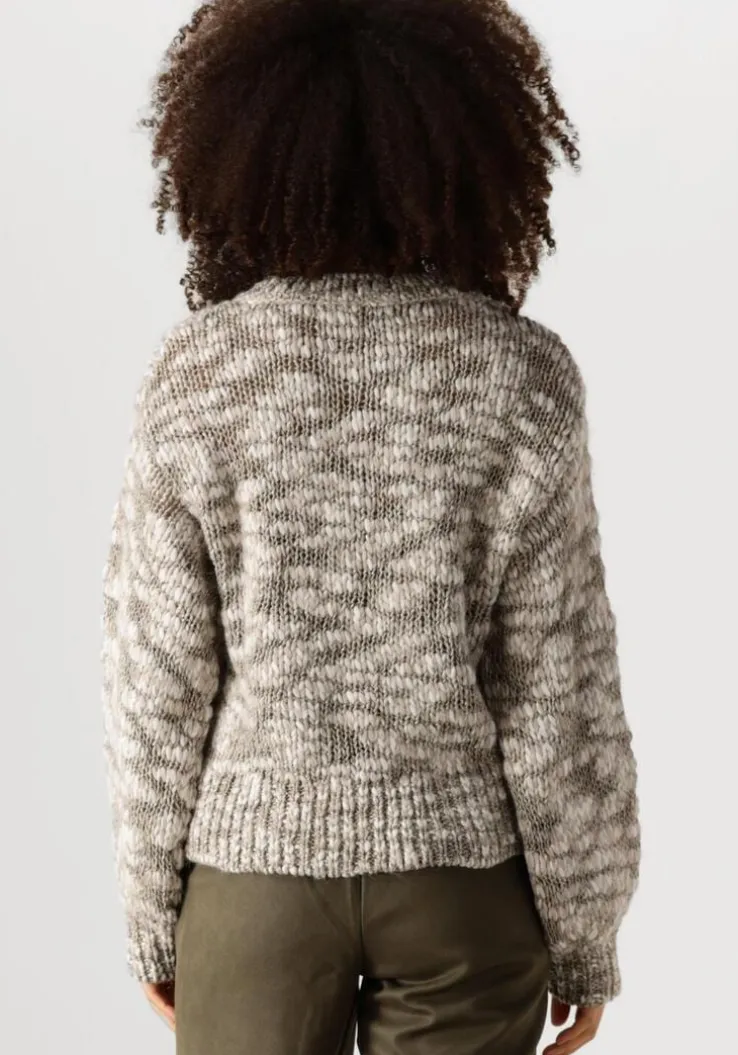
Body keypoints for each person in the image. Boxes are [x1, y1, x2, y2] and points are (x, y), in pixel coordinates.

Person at [100, 1, 642, 1053]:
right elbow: (561, 686)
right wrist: (586, 931)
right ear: (471, 154)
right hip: (461, 887)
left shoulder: (199, 375)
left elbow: (155, 681)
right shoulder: (521, 377)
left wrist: (153, 910)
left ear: (239, 150)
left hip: (252, 884)